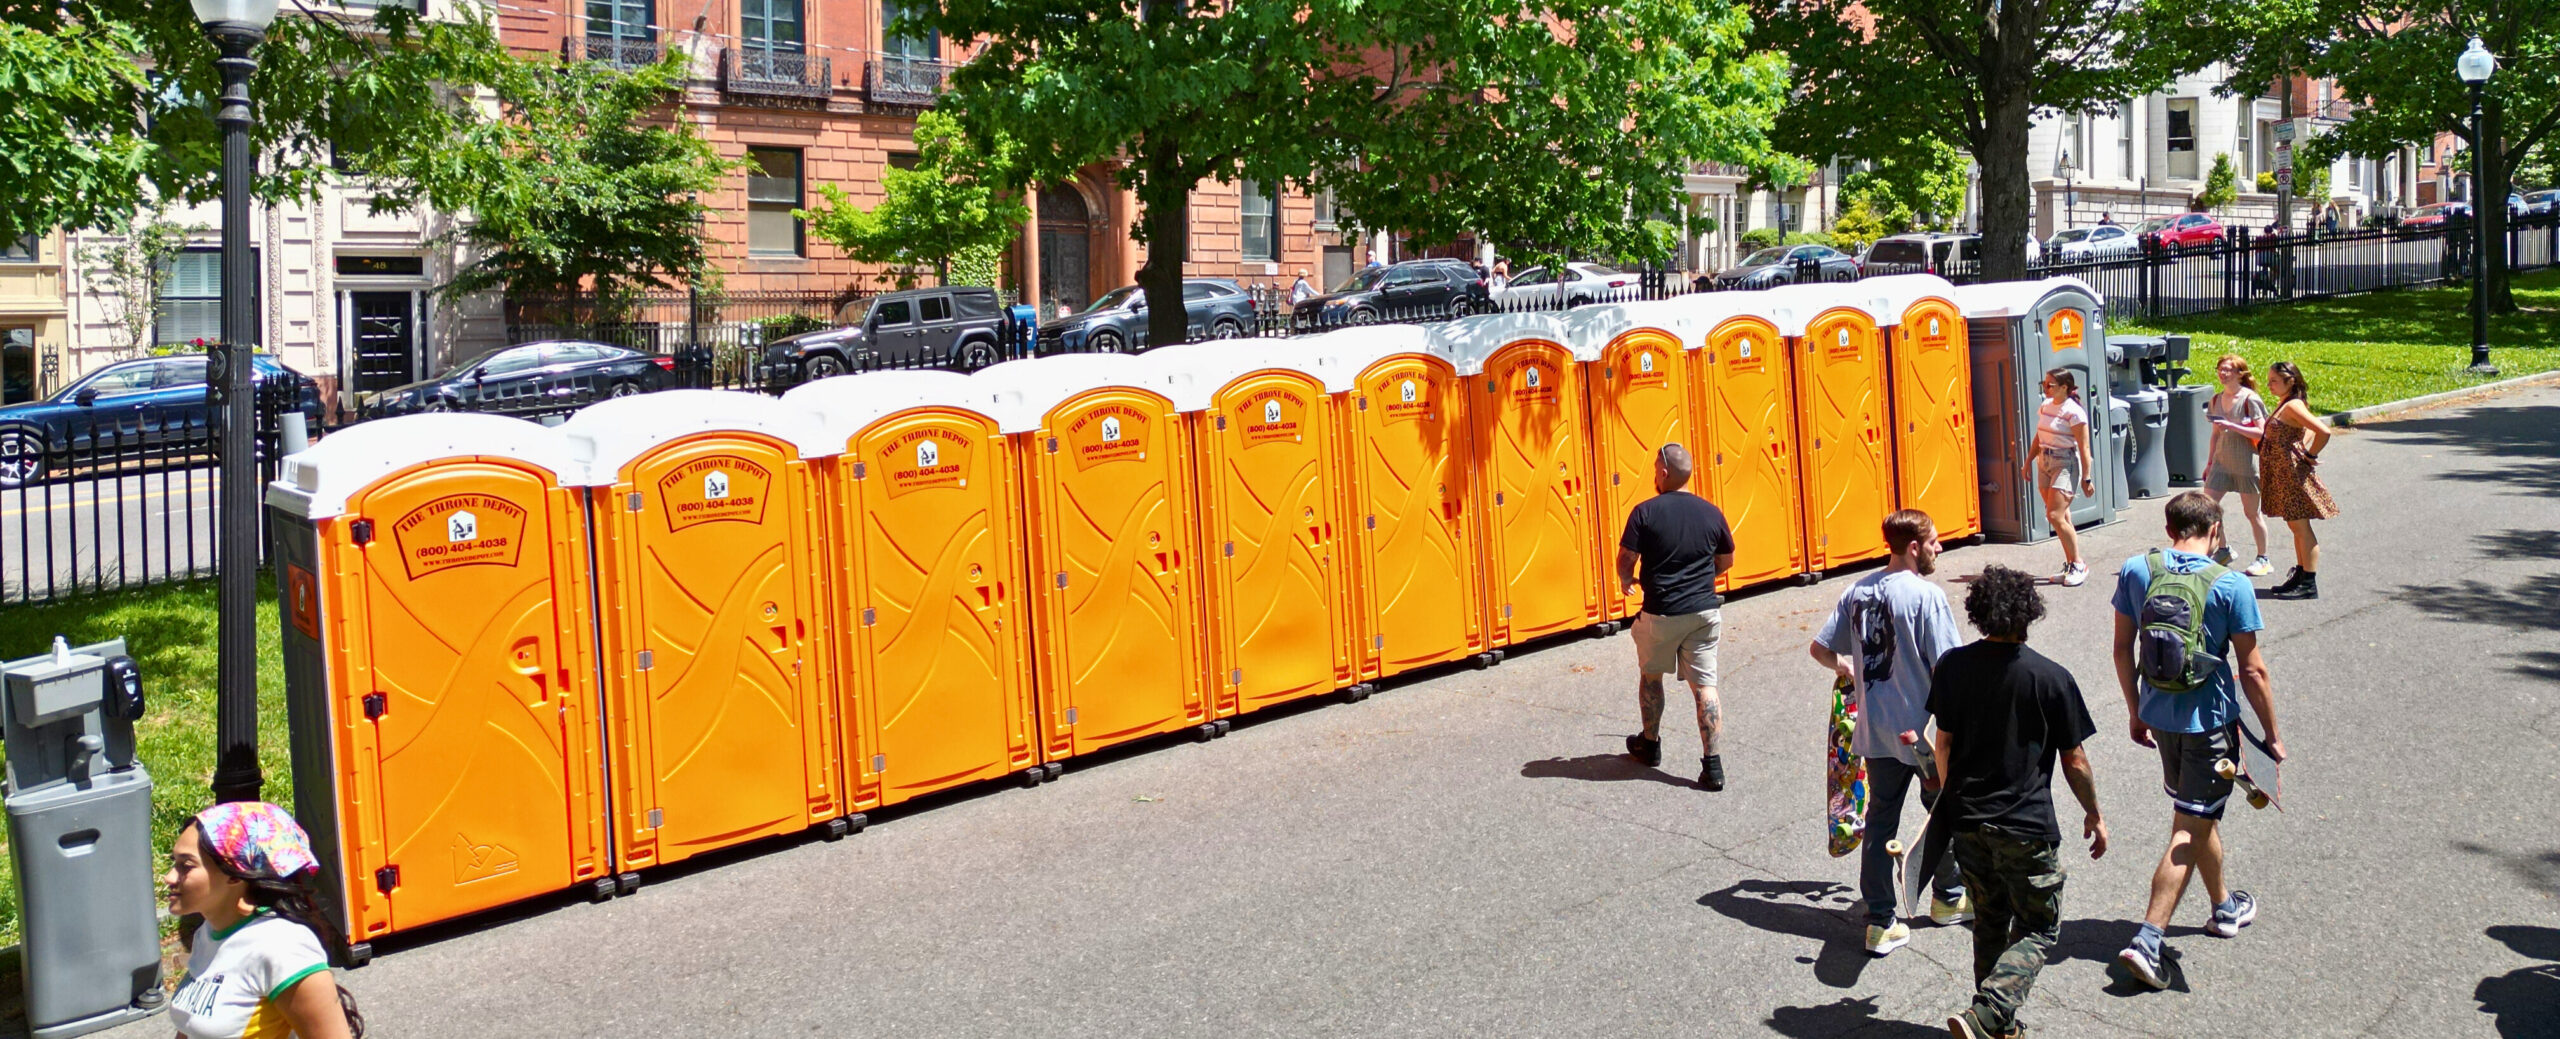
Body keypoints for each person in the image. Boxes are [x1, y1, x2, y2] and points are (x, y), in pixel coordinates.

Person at [2111, 491, 2282, 991]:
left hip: (2159, 716)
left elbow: (2123, 650)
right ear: (2215, 530)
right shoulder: (2230, 584)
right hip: (2208, 726)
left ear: (2170, 530)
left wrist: (2134, 710)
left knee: (2195, 815)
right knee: (2188, 828)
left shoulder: (2136, 570)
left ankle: (2224, 907)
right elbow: (2253, 669)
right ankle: (2147, 938)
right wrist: (2271, 737)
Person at [1929, 565, 2107, 1039]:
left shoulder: (1951, 666)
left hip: (1967, 820)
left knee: (1989, 918)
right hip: (2025, 827)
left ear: (1979, 612)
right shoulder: (2051, 678)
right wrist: (2093, 812)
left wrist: (1952, 801)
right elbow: (2075, 760)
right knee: (2039, 925)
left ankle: (1995, 1027)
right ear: (2030, 613)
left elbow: (1941, 744)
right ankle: (1990, 1012)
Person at [1810, 509, 1970, 956]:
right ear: (1914, 546)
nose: (1940, 548)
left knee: (1881, 819)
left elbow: (1820, 648)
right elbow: (1949, 669)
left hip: (1875, 730)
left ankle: (1880, 920)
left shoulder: (1856, 591)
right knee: (1943, 812)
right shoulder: (1926, 597)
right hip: (1919, 736)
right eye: (1934, 542)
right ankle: (1948, 897)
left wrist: (1844, 667)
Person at [167, 801, 365, 1039]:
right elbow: (190, 1028)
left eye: (185, 866)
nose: (169, 877)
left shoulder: (282, 947)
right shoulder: (208, 933)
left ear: (234, 874)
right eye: (173, 862)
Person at [1617, 444, 1738, 790]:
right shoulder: (1711, 512)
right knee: (1706, 687)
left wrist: (1627, 580)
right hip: (1704, 612)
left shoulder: (1645, 512)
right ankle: (1712, 766)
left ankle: (1650, 744)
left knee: (1652, 677)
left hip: (1662, 613)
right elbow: (1726, 561)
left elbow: (1626, 559)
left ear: (1665, 473)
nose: (1654, 474)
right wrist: (1700, 579)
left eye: (1656, 468)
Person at [2257, 361, 2338, 600]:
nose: (2269, 385)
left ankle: (2309, 582)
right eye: (2269, 380)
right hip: (2282, 474)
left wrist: (2310, 455)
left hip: (2291, 475)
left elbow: (2323, 430)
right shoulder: (2288, 404)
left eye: (2274, 381)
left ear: (2290, 382)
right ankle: (2300, 574)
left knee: (2301, 527)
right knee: (2295, 526)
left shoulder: (2292, 405)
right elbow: (2307, 429)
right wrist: (2302, 446)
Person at [2201, 354, 2275, 577]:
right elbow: (2215, 434)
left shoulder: (2249, 399)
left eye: (2228, 370)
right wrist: (2209, 462)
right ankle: (2223, 550)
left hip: (2246, 462)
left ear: (2239, 374)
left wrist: (2232, 425)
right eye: (2220, 369)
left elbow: (2261, 432)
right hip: (2222, 463)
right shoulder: (2216, 400)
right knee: (2208, 508)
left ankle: (2263, 559)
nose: (2222, 374)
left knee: (2251, 513)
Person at [2026, 368, 2097, 586]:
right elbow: (2040, 435)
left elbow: (2084, 448)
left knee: (2054, 515)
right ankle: (2069, 564)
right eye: (2044, 384)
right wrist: (2028, 461)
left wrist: (2086, 478)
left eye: (2050, 385)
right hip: (2044, 461)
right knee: (2062, 517)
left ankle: (2078, 564)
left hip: (2065, 463)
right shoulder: (2046, 406)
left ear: (2064, 387)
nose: (2045, 388)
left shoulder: (2074, 412)